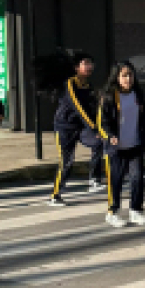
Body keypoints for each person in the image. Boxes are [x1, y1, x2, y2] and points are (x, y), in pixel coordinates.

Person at [96, 61, 145, 227]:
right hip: (116, 148)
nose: (128, 79)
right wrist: (110, 136)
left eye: (131, 75)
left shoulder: (137, 94)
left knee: (137, 179)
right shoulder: (108, 97)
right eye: (124, 75)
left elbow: (144, 120)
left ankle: (135, 210)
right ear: (117, 77)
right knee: (116, 181)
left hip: (135, 145)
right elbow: (102, 122)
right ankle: (112, 212)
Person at [50, 52, 105, 205]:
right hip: (64, 128)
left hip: (80, 127)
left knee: (99, 142)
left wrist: (100, 128)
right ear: (76, 67)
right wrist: (93, 128)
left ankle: (94, 180)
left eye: (91, 63)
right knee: (66, 161)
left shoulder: (88, 86)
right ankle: (55, 195)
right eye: (85, 63)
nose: (89, 66)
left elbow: (92, 109)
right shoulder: (70, 83)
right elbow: (78, 107)